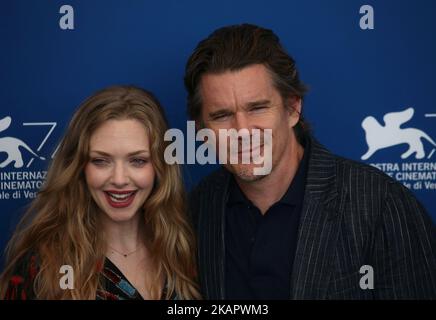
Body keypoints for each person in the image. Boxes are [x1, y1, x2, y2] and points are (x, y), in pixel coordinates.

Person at [185, 24, 436, 299]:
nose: (242, 131)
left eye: (257, 108)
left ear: (293, 109)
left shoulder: (382, 205)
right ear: (201, 130)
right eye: (222, 116)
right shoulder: (197, 209)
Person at [0, 86, 200, 300]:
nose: (120, 179)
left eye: (138, 161)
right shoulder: (41, 266)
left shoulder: (185, 248)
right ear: (79, 167)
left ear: (160, 166)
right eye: (101, 161)